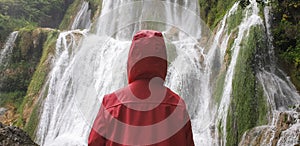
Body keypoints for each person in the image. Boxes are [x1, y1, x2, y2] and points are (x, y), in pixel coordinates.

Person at [88, 30, 194, 146]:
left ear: (132, 59)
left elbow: (94, 142)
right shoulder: (177, 105)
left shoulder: (110, 103)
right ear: (162, 59)